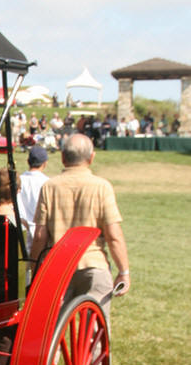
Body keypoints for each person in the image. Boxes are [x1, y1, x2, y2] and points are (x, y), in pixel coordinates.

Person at [29, 133, 130, 315]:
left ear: (62, 157)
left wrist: (34, 268)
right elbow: (113, 236)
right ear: (91, 158)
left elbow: (39, 236)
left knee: (51, 333)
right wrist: (124, 271)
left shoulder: (49, 187)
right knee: (92, 334)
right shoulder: (102, 187)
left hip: (57, 266)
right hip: (93, 264)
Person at [18, 145, 48, 249]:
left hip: (22, 232)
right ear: (45, 163)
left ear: (28, 161)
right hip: (41, 234)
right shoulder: (47, 183)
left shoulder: (18, 181)